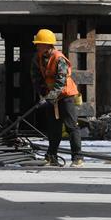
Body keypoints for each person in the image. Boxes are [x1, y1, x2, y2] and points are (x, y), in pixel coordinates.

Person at [31, 29, 83, 167]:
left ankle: (77, 158)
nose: (37, 46)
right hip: (52, 96)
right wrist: (43, 94)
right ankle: (51, 157)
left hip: (66, 95)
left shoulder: (59, 58)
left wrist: (50, 97)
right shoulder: (38, 58)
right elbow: (36, 78)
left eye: (40, 44)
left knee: (71, 126)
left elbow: (61, 81)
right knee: (53, 128)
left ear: (48, 45)